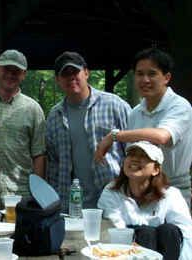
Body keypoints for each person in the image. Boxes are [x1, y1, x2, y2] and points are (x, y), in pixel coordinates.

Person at [94, 48, 192, 208]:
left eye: (152, 74)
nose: (145, 79)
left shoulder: (179, 106)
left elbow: (161, 137)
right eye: (140, 74)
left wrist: (113, 136)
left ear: (166, 77)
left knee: (172, 233)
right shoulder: (135, 113)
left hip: (174, 190)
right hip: (140, 192)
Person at [45, 51, 131, 213]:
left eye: (75, 72)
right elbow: (53, 165)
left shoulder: (114, 105)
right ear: (58, 79)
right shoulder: (54, 117)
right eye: (65, 74)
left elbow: (134, 150)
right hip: (70, 206)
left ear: (86, 72)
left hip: (115, 202)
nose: (71, 77)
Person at [0, 49, 46, 210]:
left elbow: (39, 154)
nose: (11, 75)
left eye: (16, 71)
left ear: (24, 74)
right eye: (7, 69)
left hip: (21, 193)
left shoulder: (33, 109)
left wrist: (37, 194)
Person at [97, 141, 192, 260]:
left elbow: (187, 236)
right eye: (131, 155)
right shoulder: (111, 191)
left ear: (156, 169)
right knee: (145, 233)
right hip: (127, 254)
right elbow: (116, 232)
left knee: (169, 230)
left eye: (143, 156)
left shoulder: (171, 194)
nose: (135, 159)